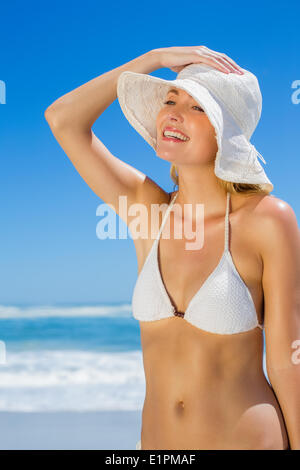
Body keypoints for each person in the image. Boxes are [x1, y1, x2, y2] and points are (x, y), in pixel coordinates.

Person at [44, 46, 300, 450]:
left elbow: (288, 363)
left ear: (226, 132)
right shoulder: (148, 211)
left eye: (198, 108)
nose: (174, 114)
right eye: (170, 100)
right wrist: (154, 59)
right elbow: (63, 120)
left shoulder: (268, 221)